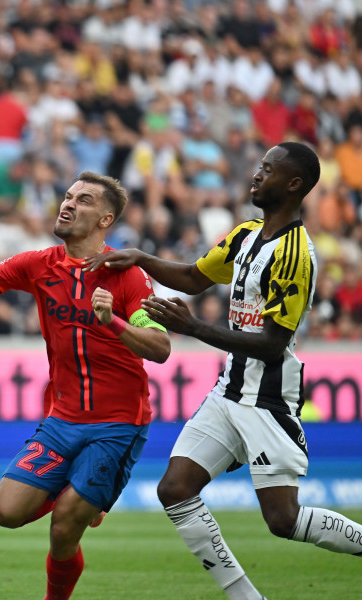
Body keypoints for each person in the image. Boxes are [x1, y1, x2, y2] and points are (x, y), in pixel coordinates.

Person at [85, 141, 362, 599]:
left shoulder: (296, 255)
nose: (256, 174)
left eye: (267, 169)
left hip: (267, 398)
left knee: (283, 520)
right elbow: (195, 277)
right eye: (259, 165)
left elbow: (274, 345)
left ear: (293, 184)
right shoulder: (246, 234)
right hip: (228, 391)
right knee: (175, 488)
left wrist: (194, 327)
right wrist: (141, 257)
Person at [0, 171, 171, 600]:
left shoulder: (128, 277)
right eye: (67, 196)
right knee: (7, 512)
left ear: (105, 219)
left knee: (64, 526)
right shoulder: (37, 265)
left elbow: (160, 347)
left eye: (82, 200)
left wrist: (114, 321)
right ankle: (84, 492)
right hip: (62, 419)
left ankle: (68, 551)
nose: (67, 204)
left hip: (117, 423)